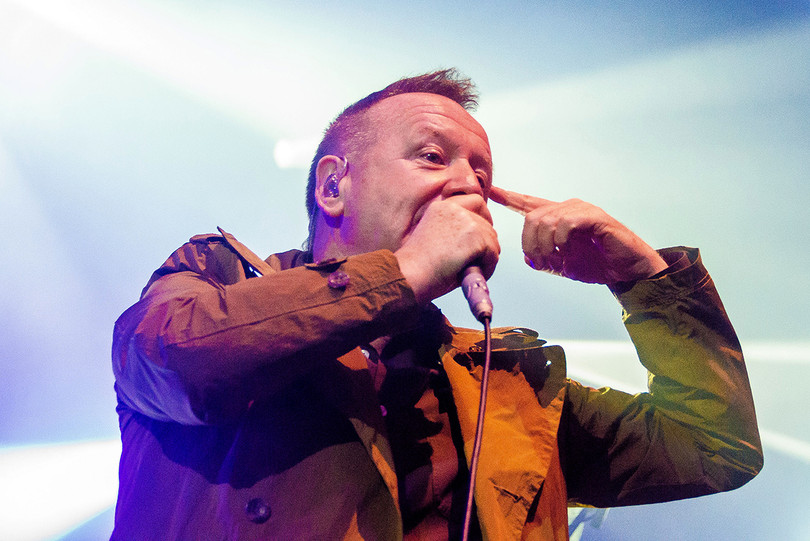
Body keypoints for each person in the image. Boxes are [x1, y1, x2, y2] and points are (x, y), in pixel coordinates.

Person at [111, 69, 762, 540]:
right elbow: (173, 361)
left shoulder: (510, 385)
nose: (468, 188)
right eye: (432, 156)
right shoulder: (218, 278)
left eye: (481, 175)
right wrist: (404, 272)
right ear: (334, 185)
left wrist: (644, 278)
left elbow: (713, 445)